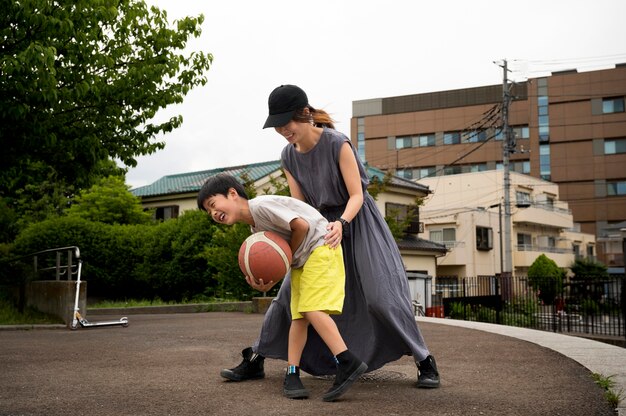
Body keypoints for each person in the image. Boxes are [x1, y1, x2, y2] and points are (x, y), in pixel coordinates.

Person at [221, 84, 440, 389]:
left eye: (288, 123)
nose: (284, 130)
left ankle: (424, 360)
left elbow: (356, 195)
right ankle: (257, 358)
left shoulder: (338, 143)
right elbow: (299, 208)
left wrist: (342, 223)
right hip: (318, 229)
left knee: (381, 295)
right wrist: (282, 252)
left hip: (358, 223)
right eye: (278, 126)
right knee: (289, 297)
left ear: (306, 114)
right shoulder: (288, 156)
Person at [197, 173, 368, 401]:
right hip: (303, 260)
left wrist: (286, 259)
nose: (213, 213)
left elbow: (302, 226)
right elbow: (280, 257)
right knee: (298, 318)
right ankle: (292, 373)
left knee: (311, 309)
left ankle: (347, 361)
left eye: (212, 204)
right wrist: (266, 282)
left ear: (232, 194)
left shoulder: (261, 206)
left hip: (320, 248)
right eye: (209, 212)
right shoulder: (255, 231)